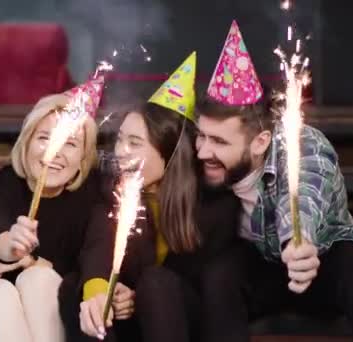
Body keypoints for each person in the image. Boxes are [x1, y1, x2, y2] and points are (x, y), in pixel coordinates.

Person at [194, 20, 353, 342]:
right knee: (219, 273)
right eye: (201, 137)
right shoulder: (204, 161)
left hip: (322, 260)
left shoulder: (302, 143)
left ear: (261, 142)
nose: (203, 151)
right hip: (263, 270)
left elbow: (305, 188)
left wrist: (299, 240)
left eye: (219, 142)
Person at [61, 52, 242, 342]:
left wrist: (137, 294)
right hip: (130, 317)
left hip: (183, 317)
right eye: (120, 140)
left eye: (134, 143)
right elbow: (99, 245)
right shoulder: (112, 189)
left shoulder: (213, 206)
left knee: (156, 283)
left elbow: (203, 283)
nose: (121, 152)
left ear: (169, 154)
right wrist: (102, 291)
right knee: (75, 287)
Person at [0, 76, 106, 342]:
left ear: (82, 158)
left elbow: (92, 263)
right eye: (45, 138)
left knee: (37, 279)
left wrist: (33, 263)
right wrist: (12, 245)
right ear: (26, 144)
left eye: (69, 143)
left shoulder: (94, 197)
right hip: (0, 311)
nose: (55, 151)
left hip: (64, 317)